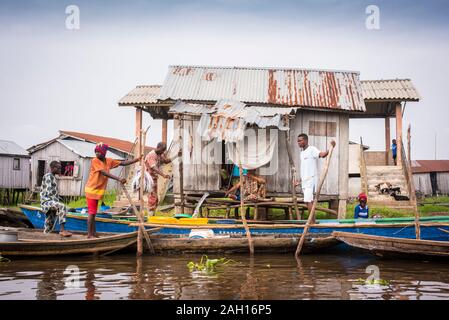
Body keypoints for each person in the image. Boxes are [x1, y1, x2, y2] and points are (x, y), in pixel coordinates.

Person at [85, 143, 140, 238]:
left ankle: (93, 233)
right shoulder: (95, 160)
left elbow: (123, 163)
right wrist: (119, 179)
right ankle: (90, 234)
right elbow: (104, 173)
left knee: (93, 213)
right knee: (91, 212)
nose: (97, 154)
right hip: (92, 190)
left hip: (98, 191)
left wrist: (137, 159)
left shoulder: (109, 161)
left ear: (104, 153)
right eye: (96, 152)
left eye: (99, 152)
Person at [295, 133, 336, 223]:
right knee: (308, 201)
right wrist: (300, 181)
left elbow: (322, 154)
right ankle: (313, 220)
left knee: (307, 200)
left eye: (300, 140)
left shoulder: (312, 149)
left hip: (311, 180)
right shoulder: (302, 153)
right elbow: (304, 169)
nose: (298, 142)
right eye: (297, 141)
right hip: (305, 181)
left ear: (306, 140)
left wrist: (331, 148)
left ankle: (312, 222)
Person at [40, 161, 72, 237]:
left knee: (49, 223)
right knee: (62, 206)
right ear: (53, 168)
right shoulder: (48, 176)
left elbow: (53, 192)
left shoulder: (53, 177)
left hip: (51, 201)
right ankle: (62, 230)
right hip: (47, 202)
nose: (60, 170)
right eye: (59, 168)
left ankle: (45, 236)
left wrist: (58, 199)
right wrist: (57, 202)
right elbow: (49, 191)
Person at [144, 142, 172, 218]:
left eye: (163, 150)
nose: (162, 152)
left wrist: (175, 156)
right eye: (162, 150)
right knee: (152, 197)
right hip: (149, 178)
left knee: (155, 198)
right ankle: (150, 216)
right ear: (158, 147)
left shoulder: (159, 154)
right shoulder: (151, 155)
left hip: (154, 178)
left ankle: (152, 215)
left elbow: (165, 161)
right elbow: (154, 168)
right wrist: (163, 175)